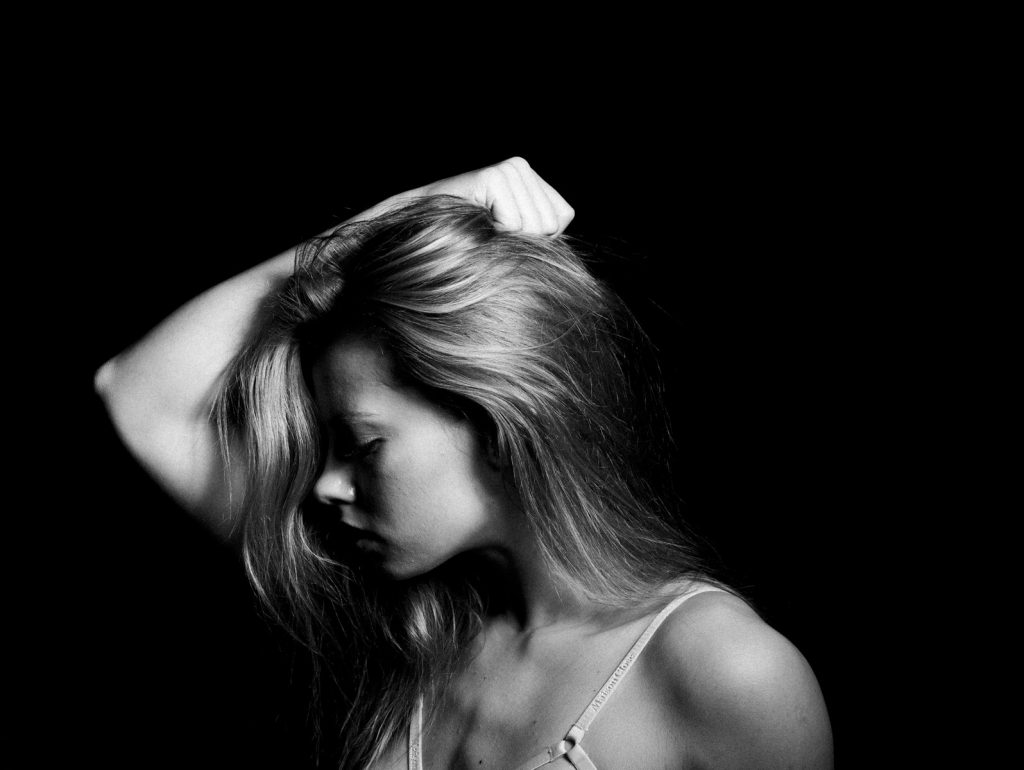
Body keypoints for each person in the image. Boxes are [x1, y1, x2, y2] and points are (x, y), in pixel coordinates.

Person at [95, 157, 833, 769]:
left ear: (495, 420)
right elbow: (134, 391)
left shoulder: (724, 671)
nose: (325, 485)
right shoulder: (396, 630)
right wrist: (419, 210)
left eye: (362, 444)